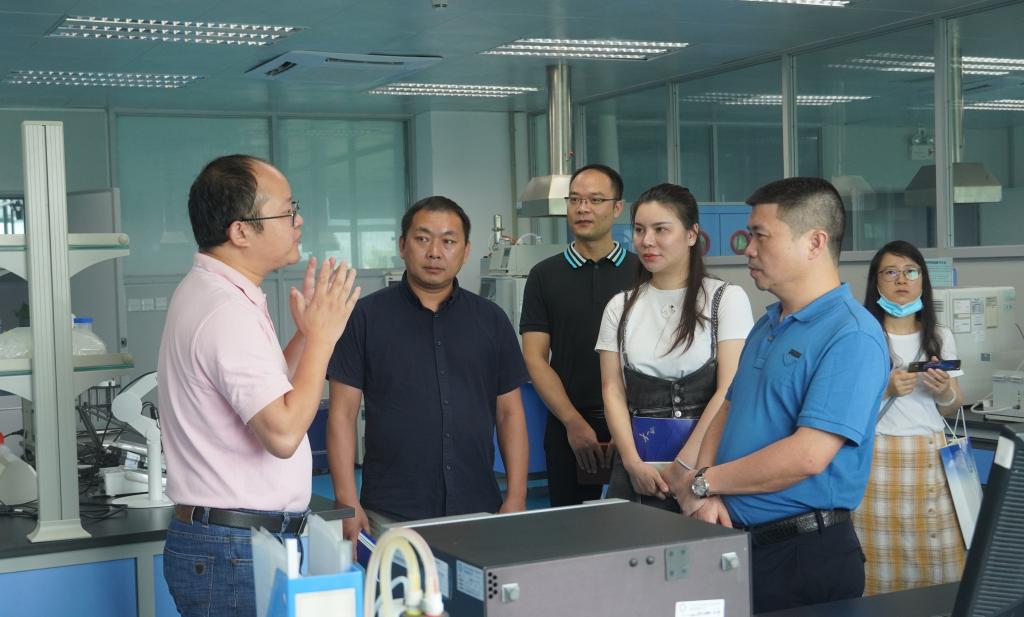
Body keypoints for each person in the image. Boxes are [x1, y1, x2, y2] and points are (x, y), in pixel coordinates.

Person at [664, 177, 890, 613]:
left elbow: (808, 456)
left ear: (814, 242)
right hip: (736, 542)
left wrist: (705, 482)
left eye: (760, 235)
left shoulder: (852, 335)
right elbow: (728, 410)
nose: (747, 249)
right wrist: (705, 494)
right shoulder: (768, 325)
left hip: (802, 555)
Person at [158, 154, 360, 617]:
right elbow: (282, 433)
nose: (298, 221)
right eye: (287, 211)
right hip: (233, 549)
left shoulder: (219, 292)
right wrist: (322, 340)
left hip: (234, 544)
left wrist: (306, 334)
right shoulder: (226, 311)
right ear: (241, 232)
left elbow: (267, 394)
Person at [326, 196, 529, 542]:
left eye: (448, 241)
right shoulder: (364, 318)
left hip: (479, 507)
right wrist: (347, 500)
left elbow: (510, 413)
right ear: (402, 245)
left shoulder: (491, 320)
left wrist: (517, 496)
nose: (435, 252)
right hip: (391, 510)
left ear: (466, 251)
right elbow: (342, 414)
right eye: (422, 239)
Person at [596, 183, 753, 509]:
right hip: (637, 473)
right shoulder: (619, 307)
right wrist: (632, 463)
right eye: (639, 229)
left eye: (661, 229)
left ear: (692, 234)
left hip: (705, 472)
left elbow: (728, 390)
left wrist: (684, 466)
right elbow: (612, 390)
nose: (647, 240)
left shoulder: (725, 299)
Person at [520, 164, 638, 506]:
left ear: (617, 208)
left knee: (636, 524)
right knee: (570, 525)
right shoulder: (544, 275)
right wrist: (572, 421)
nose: (583, 208)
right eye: (575, 200)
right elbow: (534, 357)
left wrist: (627, 422)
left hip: (635, 422)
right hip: (567, 423)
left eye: (595, 200)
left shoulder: (642, 272)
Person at [853, 240, 966, 595]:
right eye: (890, 272)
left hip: (930, 458)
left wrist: (943, 391)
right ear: (876, 282)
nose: (901, 280)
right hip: (878, 459)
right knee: (878, 566)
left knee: (937, 562)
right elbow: (845, 407)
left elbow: (952, 406)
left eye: (911, 272)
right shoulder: (862, 335)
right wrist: (885, 389)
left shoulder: (939, 337)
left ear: (922, 280)